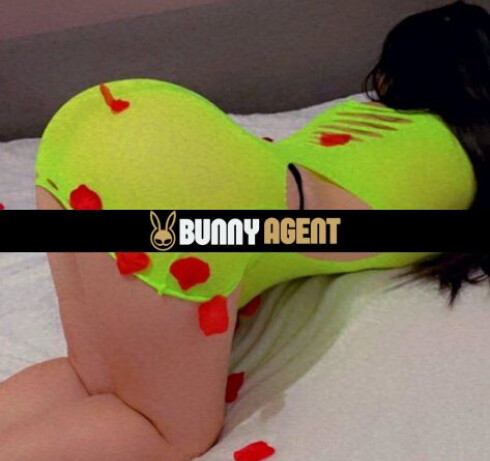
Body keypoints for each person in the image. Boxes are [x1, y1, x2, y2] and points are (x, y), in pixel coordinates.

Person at [0, 2, 488, 459]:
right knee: (166, 431)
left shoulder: (354, 114)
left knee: (90, 378)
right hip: (188, 197)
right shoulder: (464, 169)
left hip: (100, 123)